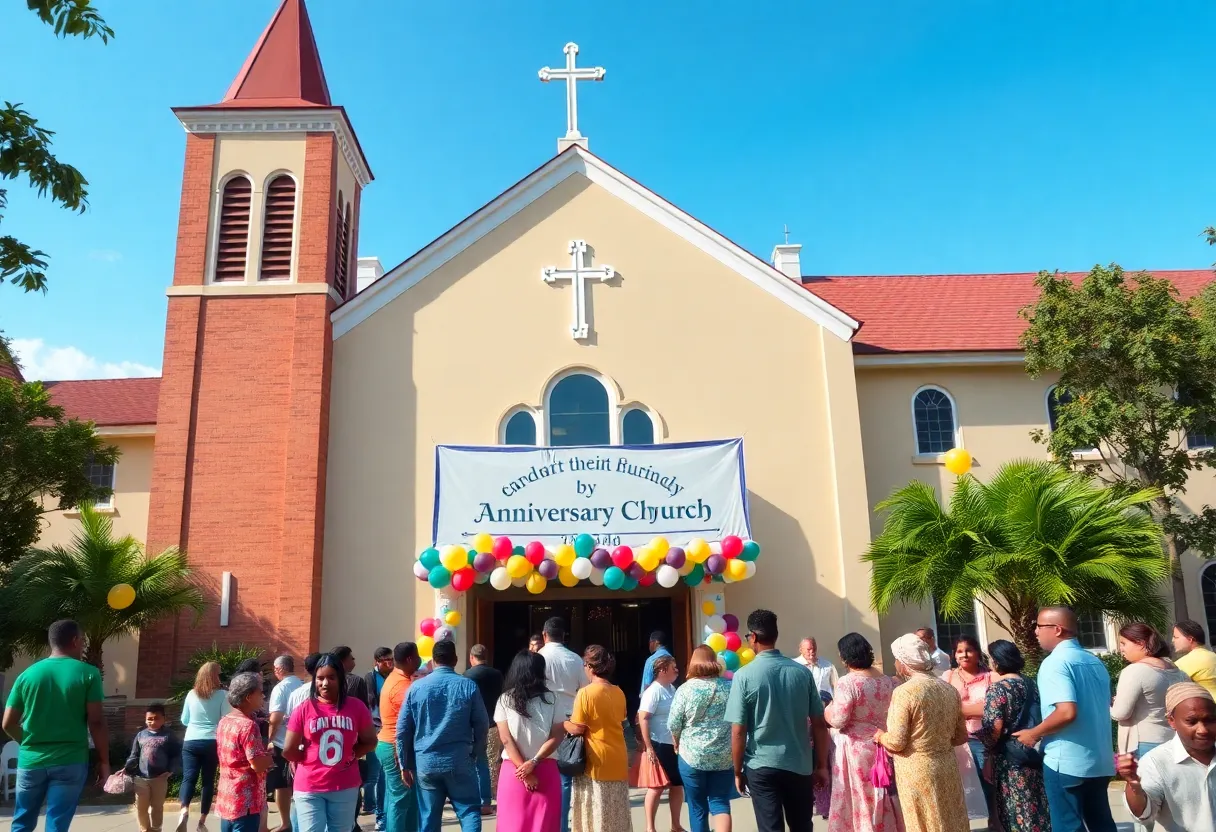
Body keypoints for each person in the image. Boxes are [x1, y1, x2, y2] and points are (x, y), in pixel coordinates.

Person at [1012, 606, 1116, 832]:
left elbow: (1066, 711)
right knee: (1102, 824)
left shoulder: (1055, 662)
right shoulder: (1094, 661)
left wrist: (1033, 733)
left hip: (1067, 760)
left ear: (1057, 629)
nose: (1036, 632)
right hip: (1099, 759)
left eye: (1039, 626)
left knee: (1067, 826)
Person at [725, 609, 829, 832]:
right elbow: (819, 724)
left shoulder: (744, 676)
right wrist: (822, 765)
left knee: (770, 828)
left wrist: (737, 771)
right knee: (802, 826)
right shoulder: (802, 673)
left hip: (761, 765)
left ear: (753, 637)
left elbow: (738, 731)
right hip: (799, 764)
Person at [2, 620, 108, 832]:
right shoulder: (88, 673)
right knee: (57, 824)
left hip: (32, 760)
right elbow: (95, 722)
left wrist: (30, 742)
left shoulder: (27, 675)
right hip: (70, 759)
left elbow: (7, 723)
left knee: (22, 821)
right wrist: (104, 761)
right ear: (75, 641)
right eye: (83, 641)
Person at [874, 633, 968, 832]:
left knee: (923, 822)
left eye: (897, 659)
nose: (896, 664)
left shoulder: (905, 692)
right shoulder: (949, 689)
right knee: (951, 819)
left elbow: (896, 741)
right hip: (947, 766)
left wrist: (881, 736)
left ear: (904, 662)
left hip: (917, 769)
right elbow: (960, 736)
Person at [397, 639, 488, 832]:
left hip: (426, 762)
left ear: (433, 661)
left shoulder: (416, 688)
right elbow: (482, 724)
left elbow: (403, 730)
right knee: (469, 810)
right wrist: (477, 753)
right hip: (460, 760)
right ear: (455, 659)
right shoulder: (468, 686)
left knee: (428, 817)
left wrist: (405, 764)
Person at [283, 654, 378, 832]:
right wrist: (306, 759)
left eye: (331, 677)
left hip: (345, 784)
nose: (325, 683)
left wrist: (351, 754)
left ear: (341, 678)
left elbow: (370, 741)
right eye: (320, 678)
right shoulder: (303, 708)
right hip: (309, 785)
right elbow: (288, 750)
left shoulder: (356, 707)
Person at [823, 633, 898, 832]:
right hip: (884, 744)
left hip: (856, 748)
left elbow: (839, 719)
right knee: (884, 793)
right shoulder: (888, 681)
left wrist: (827, 710)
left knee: (860, 796)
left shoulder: (848, 682)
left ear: (845, 657)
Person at [1117, 681, 1216, 831]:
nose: (1202, 730)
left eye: (1209, 720)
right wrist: (1134, 786)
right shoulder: (1156, 762)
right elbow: (1144, 815)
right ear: (1172, 721)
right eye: (1192, 721)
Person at [975, 640, 1050, 832]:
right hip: (1032, 752)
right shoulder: (1029, 684)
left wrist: (986, 746)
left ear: (997, 661)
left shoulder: (997, 688)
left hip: (1009, 759)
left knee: (1015, 810)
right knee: (1037, 809)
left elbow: (995, 726)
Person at [493, 650, 565, 832]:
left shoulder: (505, 700)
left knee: (513, 825)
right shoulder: (553, 699)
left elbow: (506, 740)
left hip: (513, 770)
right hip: (546, 768)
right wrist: (533, 762)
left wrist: (523, 770)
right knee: (544, 824)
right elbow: (557, 735)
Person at [668, 645, 735, 832]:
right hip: (723, 755)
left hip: (692, 756)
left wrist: (676, 741)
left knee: (697, 807)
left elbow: (674, 723)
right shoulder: (729, 687)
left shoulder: (685, 690)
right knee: (720, 803)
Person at [564, 644, 630, 832]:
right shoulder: (619, 692)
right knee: (617, 814)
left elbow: (577, 728)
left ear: (590, 667)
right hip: (618, 756)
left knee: (595, 814)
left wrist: (563, 723)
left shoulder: (586, 693)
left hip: (596, 760)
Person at [538, 617, 587, 832]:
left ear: (544, 635)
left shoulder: (537, 658)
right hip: (569, 720)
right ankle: (561, 826)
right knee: (564, 777)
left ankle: (544, 822)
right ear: (564, 636)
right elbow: (585, 691)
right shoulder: (575, 659)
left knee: (541, 771)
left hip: (542, 719)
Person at [1112, 623, 1188, 759]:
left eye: (1124, 643)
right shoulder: (1178, 672)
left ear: (1141, 643)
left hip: (1144, 742)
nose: (1121, 649)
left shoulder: (1135, 671)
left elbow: (1120, 713)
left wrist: (1110, 705)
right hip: (1176, 740)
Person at [941, 634, 992, 822]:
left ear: (977, 653)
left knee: (987, 784)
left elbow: (992, 709)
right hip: (956, 740)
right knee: (960, 787)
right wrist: (973, 710)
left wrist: (961, 709)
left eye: (969, 650)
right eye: (959, 651)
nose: (964, 655)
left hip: (983, 740)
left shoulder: (989, 676)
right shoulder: (948, 676)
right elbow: (943, 707)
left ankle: (993, 823)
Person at [215, 672, 273, 832]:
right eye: (260, 692)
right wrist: (270, 755)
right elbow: (257, 764)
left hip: (227, 798)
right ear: (249, 696)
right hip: (246, 801)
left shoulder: (224, 721)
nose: (263, 695)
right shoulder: (248, 725)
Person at [178, 661, 232, 832]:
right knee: (207, 781)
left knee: (188, 778)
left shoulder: (191, 694)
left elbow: (184, 720)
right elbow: (225, 718)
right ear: (214, 676)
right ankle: (202, 821)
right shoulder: (223, 695)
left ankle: (184, 809)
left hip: (191, 740)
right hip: (212, 741)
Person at [376, 642, 420, 832]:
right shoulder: (401, 686)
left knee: (407, 800)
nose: (421, 660)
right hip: (396, 747)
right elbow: (412, 721)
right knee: (400, 800)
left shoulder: (400, 679)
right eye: (418, 656)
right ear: (410, 659)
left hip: (394, 745)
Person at [638, 654, 685, 832]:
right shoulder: (654, 691)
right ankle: (650, 828)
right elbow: (643, 718)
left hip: (672, 744)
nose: (677, 670)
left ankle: (675, 825)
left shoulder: (672, 688)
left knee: (677, 785)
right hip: (658, 744)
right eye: (674, 667)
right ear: (663, 670)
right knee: (656, 787)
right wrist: (648, 746)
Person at [331, 646, 371, 832]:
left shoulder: (321, 683)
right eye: (351, 658)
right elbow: (365, 710)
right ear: (343, 661)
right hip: (352, 741)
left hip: (328, 743)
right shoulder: (356, 682)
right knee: (353, 785)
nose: (354, 662)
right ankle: (351, 825)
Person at [125, 703, 183, 832]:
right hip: (141, 778)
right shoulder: (141, 735)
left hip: (160, 778)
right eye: (149, 719)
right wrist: (127, 768)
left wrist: (170, 770)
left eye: (156, 718)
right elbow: (134, 755)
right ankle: (145, 829)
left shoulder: (168, 735)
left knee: (157, 806)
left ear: (164, 719)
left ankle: (156, 829)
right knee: (141, 806)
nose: (152, 721)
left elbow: (176, 754)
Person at [466, 644, 505, 816]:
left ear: (471, 657)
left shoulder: (467, 675)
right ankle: (486, 801)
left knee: (474, 762)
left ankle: (474, 799)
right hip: (494, 723)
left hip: (473, 725)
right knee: (490, 762)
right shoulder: (497, 674)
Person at [267, 656, 304, 832]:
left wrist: (269, 739)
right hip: (302, 741)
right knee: (298, 783)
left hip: (282, 741)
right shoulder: (302, 684)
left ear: (280, 669)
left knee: (281, 784)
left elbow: (275, 718)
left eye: (275, 669)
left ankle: (286, 823)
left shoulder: (280, 688)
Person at [363, 647, 394, 832]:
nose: (389, 663)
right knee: (375, 772)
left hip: (388, 729)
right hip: (375, 729)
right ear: (376, 661)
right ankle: (371, 806)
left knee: (383, 774)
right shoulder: (370, 678)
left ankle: (380, 812)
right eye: (385, 660)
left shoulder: (393, 677)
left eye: (391, 660)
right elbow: (369, 706)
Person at [1172, 620, 1216, 696]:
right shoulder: (1212, 655)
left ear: (1190, 639)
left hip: (1206, 704)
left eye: (1176, 637)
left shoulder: (1185, 662)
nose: (1173, 641)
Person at [640, 631, 674, 697]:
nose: (649, 645)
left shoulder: (651, 660)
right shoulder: (671, 658)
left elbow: (646, 685)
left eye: (650, 642)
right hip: (670, 698)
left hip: (654, 699)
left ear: (656, 642)